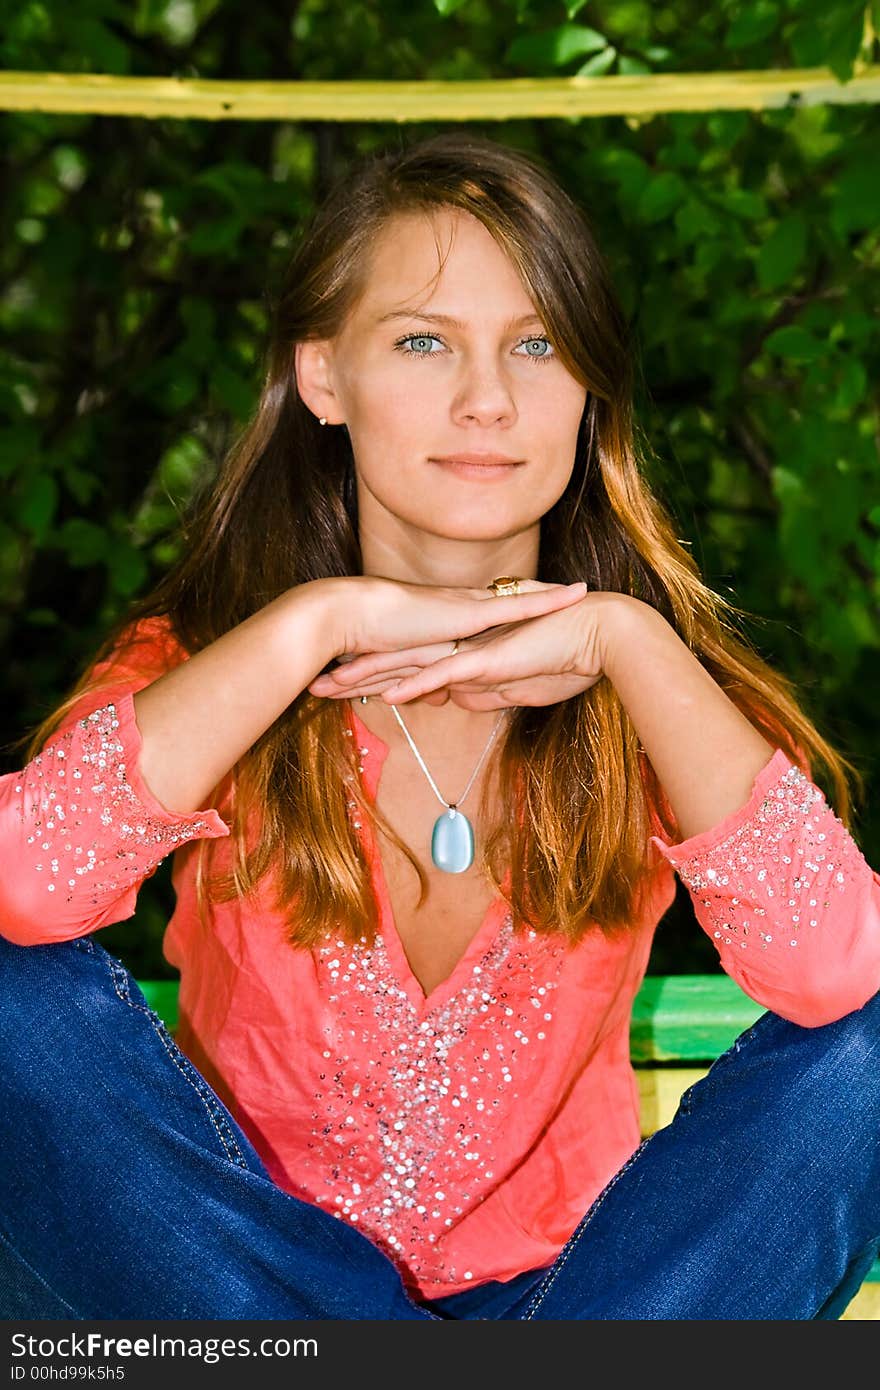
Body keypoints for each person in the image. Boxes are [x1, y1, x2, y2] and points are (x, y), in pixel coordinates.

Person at [1, 131, 878, 1323]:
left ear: (587, 387)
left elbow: (838, 975)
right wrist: (321, 621)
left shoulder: (663, 692)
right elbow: (20, 890)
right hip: (247, 1315)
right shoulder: (211, 666)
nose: (487, 398)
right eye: (423, 341)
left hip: (578, 1312)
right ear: (322, 376)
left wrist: (624, 641)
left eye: (537, 343)